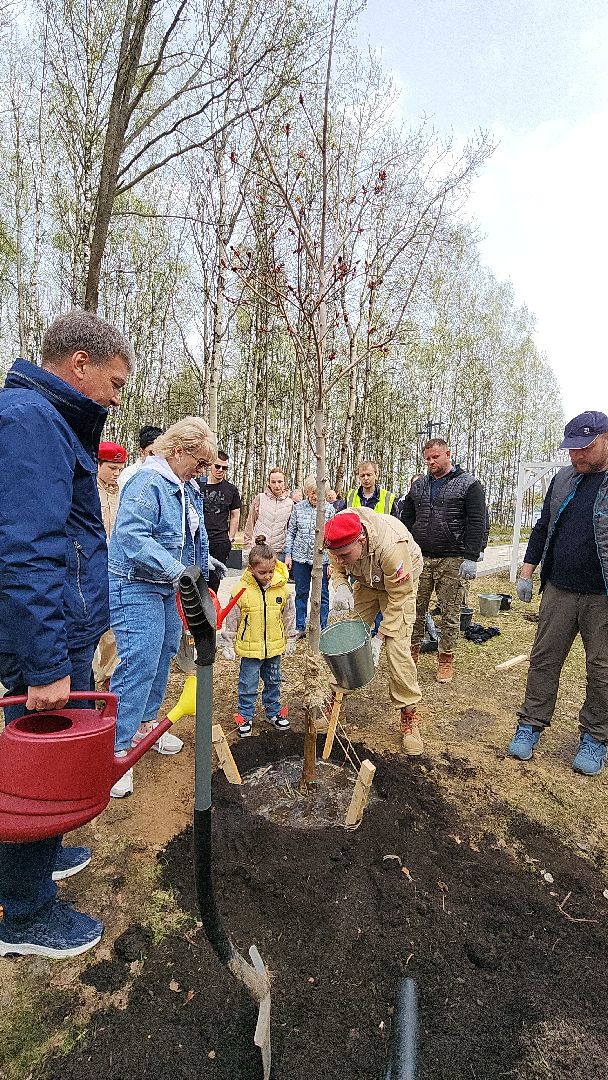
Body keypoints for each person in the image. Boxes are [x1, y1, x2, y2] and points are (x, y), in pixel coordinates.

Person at [0, 309, 132, 959]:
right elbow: (27, 552)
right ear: (78, 363)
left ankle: (41, 854)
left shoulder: (48, 422)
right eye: (113, 383)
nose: (114, 397)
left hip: (64, 633)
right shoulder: (31, 422)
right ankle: (23, 915)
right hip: (48, 647)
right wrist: (46, 663)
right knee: (40, 775)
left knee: (50, 774)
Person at [108, 417, 215, 798]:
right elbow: (131, 535)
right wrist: (178, 570)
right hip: (134, 585)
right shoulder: (148, 482)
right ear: (178, 450)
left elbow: (187, 536)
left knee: (165, 651)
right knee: (140, 660)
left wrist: (205, 564)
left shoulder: (183, 487)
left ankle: (144, 728)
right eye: (200, 462)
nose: (203, 471)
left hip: (164, 586)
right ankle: (116, 751)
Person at [507, 410, 608, 776]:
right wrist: (527, 571)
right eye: (571, 450)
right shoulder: (564, 478)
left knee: (602, 669)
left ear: (605, 439)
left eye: (584, 448)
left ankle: (595, 738)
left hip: (602, 597)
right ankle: (530, 724)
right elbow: (544, 525)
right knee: (545, 659)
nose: (576, 456)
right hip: (559, 589)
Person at [324, 508, 424, 755]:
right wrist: (342, 586)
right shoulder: (337, 533)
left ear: (361, 540)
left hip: (401, 583)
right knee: (346, 639)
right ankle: (337, 703)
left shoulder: (392, 548)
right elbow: (337, 565)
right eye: (338, 555)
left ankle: (409, 716)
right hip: (367, 583)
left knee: (397, 649)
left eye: (346, 555)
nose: (342, 559)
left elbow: (400, 596)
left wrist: (379, 638)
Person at [397, 438, 488, 683]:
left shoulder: (468, 484)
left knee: (450, 612)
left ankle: (445, 658)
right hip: (421, 558)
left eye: (435, 457)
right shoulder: (419, 486)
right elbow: (407, 517)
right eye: (427, 458)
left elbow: (477, 521)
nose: (431, 462)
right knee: (415, 610)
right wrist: (403, 546)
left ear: (448, 454)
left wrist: (471, 556)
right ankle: (411, 656)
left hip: (453, 558)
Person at [220, 535, 297, 737]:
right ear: (250, 569)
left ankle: (274, 712)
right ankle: (245, 715)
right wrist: (228, 642)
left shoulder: (282, 589)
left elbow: (289, 615)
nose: (267, 576)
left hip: (274, 647)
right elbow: (232, 618)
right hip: (250, 648)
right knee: (248, 683)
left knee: (274, 680)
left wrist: (290, 637)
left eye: (271, 571)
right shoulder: (241, 591)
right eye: (262, 572)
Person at [93, 441, 127, 690]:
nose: (116, 473)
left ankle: (108, 679)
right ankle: (92, 679)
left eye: (119, 468)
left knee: (114, 626)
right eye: (111, 468)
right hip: (92, 564)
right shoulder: (87, 490)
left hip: (116, 566)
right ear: (99, 464)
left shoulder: (124, 491)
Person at [284, 476, 335, 636]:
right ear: (307, 492)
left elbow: (333, 537)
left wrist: (332, 563)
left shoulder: (330, 510)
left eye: (319, 492)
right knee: (301, 592)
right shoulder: (298, 508)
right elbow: (291, 532)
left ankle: (322, 626)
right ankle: (300, 626)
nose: (315, 496)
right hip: (300, 559)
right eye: (312, 492)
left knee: (322, 594)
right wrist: (288, 554)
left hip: (323, 560)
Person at [200, 449, 241, 593]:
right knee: (196, 582)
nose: (220, 470)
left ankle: (212, 613)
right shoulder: (198, 485)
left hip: (220, 541)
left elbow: (235, 514)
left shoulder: (231, 490)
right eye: (217, 466)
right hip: (198, 540)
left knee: (213, 584)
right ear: (210, 465)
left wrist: (231, 537)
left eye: (224, 468)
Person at [243, 467, 294, 562]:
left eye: (280, 481)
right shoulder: (260, 498)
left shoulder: (290, 503)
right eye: (273, 482)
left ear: (284, 483)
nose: (277, 485)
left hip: (279, 551)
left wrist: (288, 552)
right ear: (269, 483)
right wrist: (248, 546)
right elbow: (250, 522)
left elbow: (290, 529)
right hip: (259, 548)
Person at [118, 424, 163, 491]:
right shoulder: (129, 474)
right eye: (151, 453)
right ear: (142, 451)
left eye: (159, 453)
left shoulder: (167, 473)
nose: (156, 458)